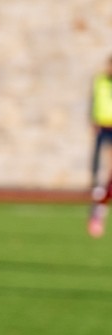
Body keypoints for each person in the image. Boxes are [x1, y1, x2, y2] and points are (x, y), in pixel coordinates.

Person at [89, 53, 112, 237]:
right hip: (103, 127)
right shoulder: (100, 81)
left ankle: (99, 209)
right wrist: (92, 120)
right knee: (101, 169)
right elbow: (94, 101)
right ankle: (98, 211)